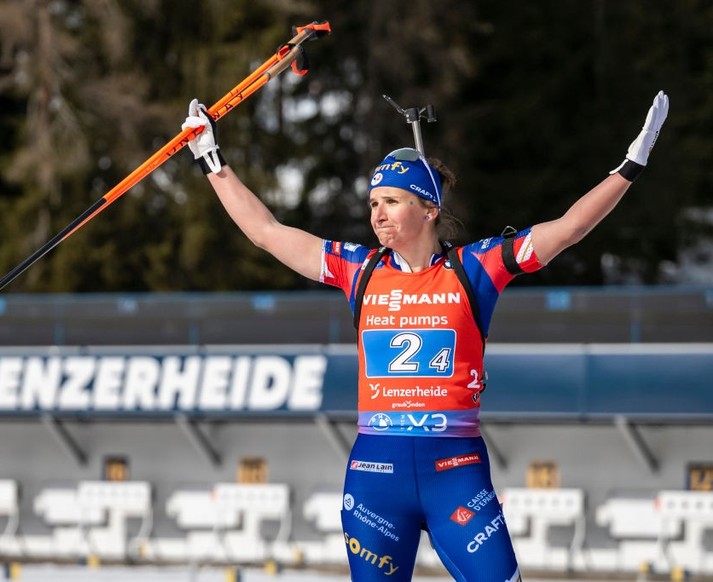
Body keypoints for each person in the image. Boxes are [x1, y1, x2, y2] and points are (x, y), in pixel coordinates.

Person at [181, 91, 669, 581]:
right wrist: (210, 158)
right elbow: (267, 231)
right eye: (373, 203)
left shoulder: (475, 266)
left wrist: (630, 166)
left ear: (429, 209)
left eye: (392, 201)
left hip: (455, 474)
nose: (377, 214)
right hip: (376, 478)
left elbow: (567, 230)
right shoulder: (360, 268)